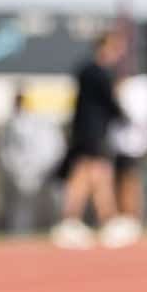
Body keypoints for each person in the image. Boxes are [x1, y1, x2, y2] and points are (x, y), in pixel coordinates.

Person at [52, 30, 136, 248]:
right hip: (91, 133)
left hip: (90, 132)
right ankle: (74, 221)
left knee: (97, 176)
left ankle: (103, 220)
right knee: (88, 174)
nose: (119, 53)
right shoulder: (96, 72)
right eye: (116, 48)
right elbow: (108, 102)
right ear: (105, 46)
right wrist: (124, 116)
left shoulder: (89, 71)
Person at [0, 85, 63, 234]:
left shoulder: (39, 120)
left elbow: (52, 144)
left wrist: (46, 164)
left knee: (55, 199)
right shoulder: (10, 123)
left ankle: (58, 228)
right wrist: (16, 168)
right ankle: (20, 233)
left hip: (46, 167)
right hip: (22, 171)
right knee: (22, 204)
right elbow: (4, 150)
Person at [110, 71, 147, 224]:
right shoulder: (141, 90)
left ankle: (130, 216)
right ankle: (125, 216)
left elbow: (134, 116)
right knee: (122, 180)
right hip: (126, 145)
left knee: (128, 180)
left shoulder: (137, 91)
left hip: (130, 145)